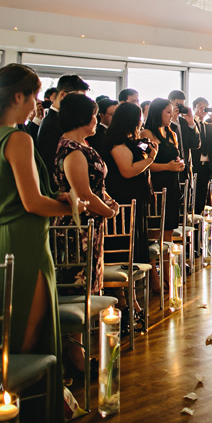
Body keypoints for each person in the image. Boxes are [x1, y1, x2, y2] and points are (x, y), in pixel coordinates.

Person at [0, 64, 83, 423]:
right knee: (26, 334)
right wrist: (69, 204)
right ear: (18, 96)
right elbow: (33, 202)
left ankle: (5, 411)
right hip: (23, 242)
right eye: (35, 95)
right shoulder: (18, 138)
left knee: (6, 329)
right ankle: (18, 416)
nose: (38, 104)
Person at [53, 94, 119, 296]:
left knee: (91, 285)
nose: (97, 120)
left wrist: (108, 199)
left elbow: (95, 184)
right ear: (83, 117)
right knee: (80, 288)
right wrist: (108, 212)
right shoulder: (71, 149)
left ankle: (90, 327)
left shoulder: (82, 144)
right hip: (78, 228)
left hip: (91, 226)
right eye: (94, 115)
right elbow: (83, 193)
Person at [102, 101, 159, 290]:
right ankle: (124, 295)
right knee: (126, 247)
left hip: (137, 198)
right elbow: (127, 170)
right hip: (125, 200)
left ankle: (132, 293)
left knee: (135, 243)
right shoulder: (117, 143)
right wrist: (151, 159)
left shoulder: (131, 140)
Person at [36, 74, 89, 188]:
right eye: (78, 99)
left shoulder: (59, 119)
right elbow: (50, 163)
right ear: (62, 95)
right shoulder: (53, 123)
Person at [145, 98, 185, 234]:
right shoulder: (146, 134)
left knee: (170, 226)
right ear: (157, 113)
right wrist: (167, 166)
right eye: (168, 112)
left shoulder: (171, 133)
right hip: (156, 186)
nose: (171, 115)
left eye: (172, 112)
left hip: (172, 185)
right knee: (156, 229)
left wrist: (179, 164)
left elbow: (175, 156)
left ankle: (167, 254)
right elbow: (144, 165)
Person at [190, 97, 212, 214]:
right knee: (191, 194)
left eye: (205, 107)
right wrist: (195, 117)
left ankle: (199, 217)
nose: (203, 109)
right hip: (194, 164)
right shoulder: (190, 123)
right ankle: (191, 217)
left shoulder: (209, 125)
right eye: (200, 106)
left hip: (207, 165)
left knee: (202, 194)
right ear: (194, 107)